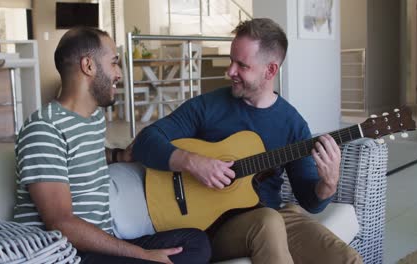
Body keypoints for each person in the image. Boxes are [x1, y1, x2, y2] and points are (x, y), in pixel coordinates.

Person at [131, 18, 363, 263]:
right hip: (212, 226)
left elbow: (310, 201)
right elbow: (146, 141)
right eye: (231, 60)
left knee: (345, 258)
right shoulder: (209, 106)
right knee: (269, 221)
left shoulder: (292, 124)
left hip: (270, 215)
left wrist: (328, 183)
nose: (230, 71)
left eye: (241, 65)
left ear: (270, 70)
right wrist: (191, 161)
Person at [12, 27, 211, 264]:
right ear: (88, 66)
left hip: (100, 245)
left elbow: (77, 157)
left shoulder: (93, 118)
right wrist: (144, 255)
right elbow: (61, 223)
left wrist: (118, 156)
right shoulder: (44, 128)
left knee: (195, 242)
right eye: (114, 63)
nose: (119, 73)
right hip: (63, 253)